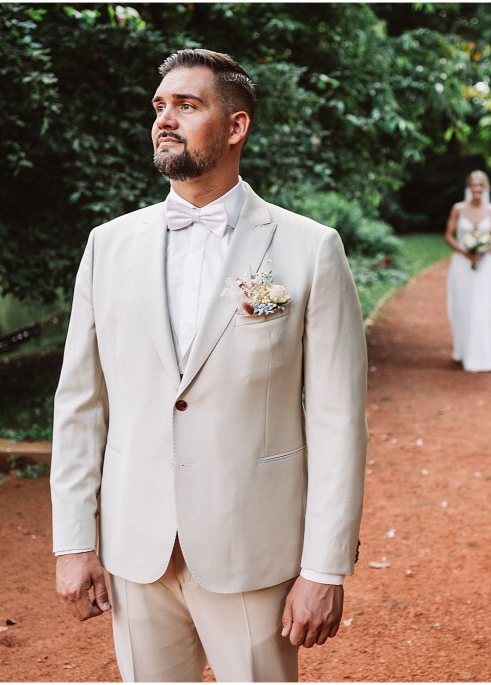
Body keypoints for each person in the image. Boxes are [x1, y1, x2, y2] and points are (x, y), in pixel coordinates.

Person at [49, 48, 368, 682]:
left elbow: (339, 419)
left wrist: (324, 567)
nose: (165, 119)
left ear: (236, 126)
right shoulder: (107, 246)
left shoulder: (310, 249)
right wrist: (73, 541)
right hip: (137, 552)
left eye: (187, 106)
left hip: (253, 549)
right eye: (159, 107)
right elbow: (81, 403)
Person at [444, 170, 491, 372]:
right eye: (473, 185)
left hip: (484, 264)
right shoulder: (458, 209)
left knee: (482, 306)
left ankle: (480, 355)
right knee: (462, 306)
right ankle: (462, 349)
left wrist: (483, 249)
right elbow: (449, 236)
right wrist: (464, 250)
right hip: (462, 264)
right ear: (469, 188)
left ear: (485, 188)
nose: (477, 189)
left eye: (480, 185)